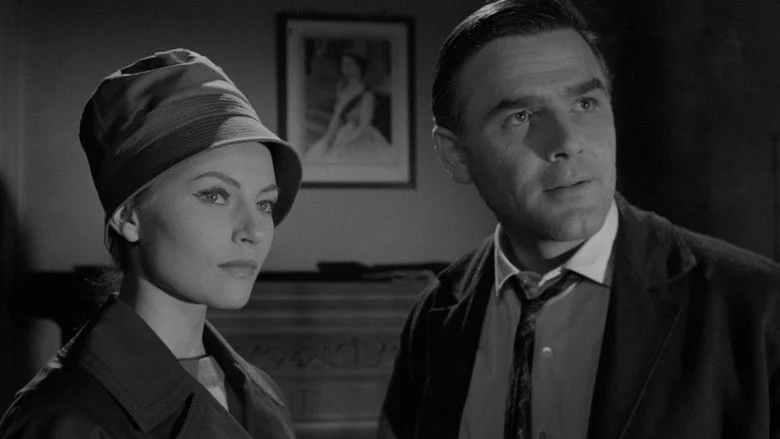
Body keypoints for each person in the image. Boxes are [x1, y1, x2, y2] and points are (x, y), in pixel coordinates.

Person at [378, 1, 780, 438]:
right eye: (521, 117)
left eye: (585, 103)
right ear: (455, 155)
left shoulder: (755, 307)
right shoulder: (435, 316)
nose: (567, 142)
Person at [0, 48, 302, 438]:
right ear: (128, 216)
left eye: (264, 203)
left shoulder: (262, 395)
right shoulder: (64, 417)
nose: (254, 231)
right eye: (215, 195)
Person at [306, 52, 391, 162]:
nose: (346, 69)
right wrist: (330, 138)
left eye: (350, 65)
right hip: (341, 132)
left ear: (360, 67)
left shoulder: (366, 94)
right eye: (344, 65)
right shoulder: (342, 91)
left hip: (358, 136)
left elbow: (364, 126)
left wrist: (347, 141)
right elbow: (337, 117)